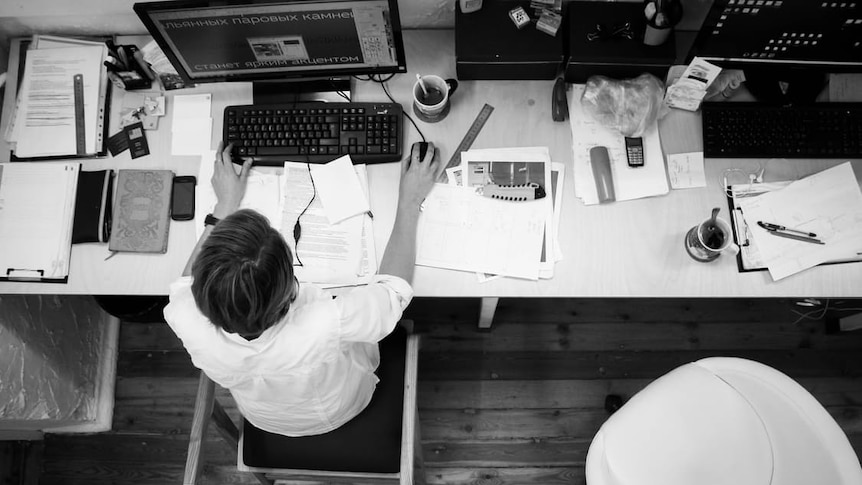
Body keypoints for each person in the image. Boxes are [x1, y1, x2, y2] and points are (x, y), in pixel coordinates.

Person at [163, 141, 443, 437]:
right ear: (288, 287)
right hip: (341, 407)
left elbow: (185, 283)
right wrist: (410, 201)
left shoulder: (183, 316)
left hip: (262, 417)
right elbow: (392, 292)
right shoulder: (324, 323)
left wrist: (222, 208)